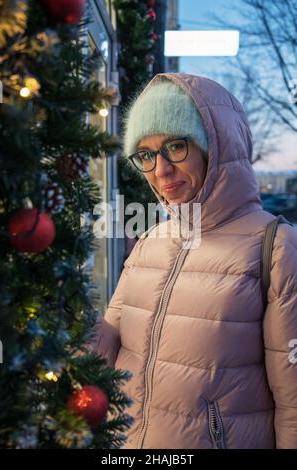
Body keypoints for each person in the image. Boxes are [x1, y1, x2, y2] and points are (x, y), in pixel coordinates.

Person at [90, 73, 297, 449]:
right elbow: (110, 351)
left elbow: (293, 400)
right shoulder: (150, 242)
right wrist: (70, 315)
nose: (161, 169)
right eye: (147, 154)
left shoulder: (275, 246)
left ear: (217, 146)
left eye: (177, 146)